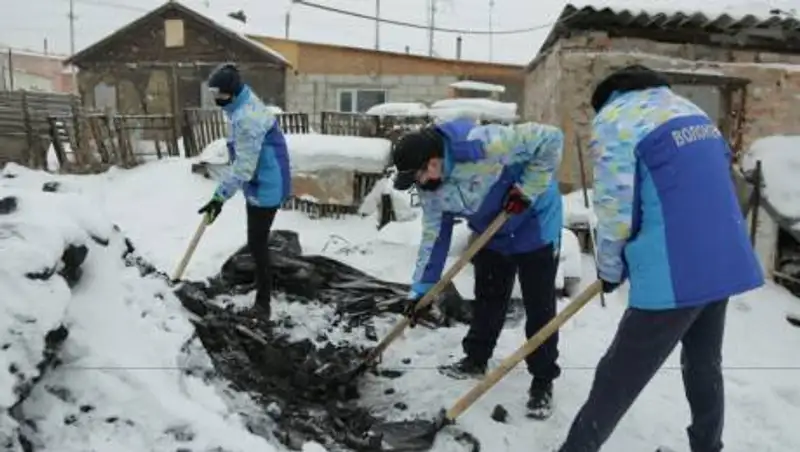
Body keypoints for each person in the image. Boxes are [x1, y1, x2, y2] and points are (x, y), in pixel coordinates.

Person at [556, 65, 765, 452]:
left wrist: (609, 269)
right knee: (703, 364)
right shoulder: (691, 111)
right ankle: (707, 445)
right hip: (722, 256)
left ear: (606, 99)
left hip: (676, 269)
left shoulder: (615, 120)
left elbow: (615, 211)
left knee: (618, 375)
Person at [391, 117, 564, 419]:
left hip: (534, 223)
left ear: (432, 162)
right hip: (492, 231)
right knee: (489, 297)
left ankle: (542, 379)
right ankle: (476, 359)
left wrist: (527, 189)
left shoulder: (482, 143)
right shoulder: (431, 189)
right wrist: (421, 292)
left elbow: (552, 136)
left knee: (540, 305)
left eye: (417, 175)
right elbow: (434, 238)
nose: (418, 183)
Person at [197, 63, 291, 320]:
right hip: (261, 179)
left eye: (220, 94)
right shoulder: (241, 104)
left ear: (233, 92)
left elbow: (243, 168)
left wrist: (219, 198)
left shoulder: (246, 118)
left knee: (257, 244)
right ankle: (262, 288)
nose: (216, 100)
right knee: (256, 241)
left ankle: (263, 304)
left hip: (266, 183)